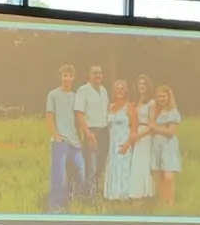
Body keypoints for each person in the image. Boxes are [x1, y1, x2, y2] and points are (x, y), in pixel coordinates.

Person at [45, 63, 86, 212]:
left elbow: (78, 119)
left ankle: (76, 201)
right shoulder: (53, 95)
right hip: (60, 142)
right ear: (60, 77)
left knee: (81, 171)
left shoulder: (76, 96)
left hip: (75, 142)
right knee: (59, 176)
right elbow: (49, 118)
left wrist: (81, 137)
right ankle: (55, 206)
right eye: (64, 75)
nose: (67, 79)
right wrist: (56, 137)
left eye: (70, 76)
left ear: (73, 78)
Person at [74, 65, 110, 197]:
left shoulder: (104, 90)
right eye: (94, 73)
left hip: (104, 131)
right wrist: (88, 134)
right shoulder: (83, 91)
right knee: (92, 164)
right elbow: (79, 114)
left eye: (100, 73)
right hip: (91, 131)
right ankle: (89, 196)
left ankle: (97, 191)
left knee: (102, 163)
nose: (98, 75)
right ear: (89, 75)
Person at [103, 79, 136, 201]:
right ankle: (112, 195)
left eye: (122, 89)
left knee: (123, 168)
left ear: (126, 91)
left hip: (124, 141)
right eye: (117, 88)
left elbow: (134, 129)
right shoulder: (110, 106)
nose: (120, 91)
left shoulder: (129, 107)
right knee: (113, 167)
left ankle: (123, 196)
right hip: (112, 143)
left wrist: (127, 144)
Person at [152, 85, 183, 206]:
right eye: (159, 96)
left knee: (168, 175)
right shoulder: (157, 112)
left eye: (164, 96)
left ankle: (171, 202)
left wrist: (156, 128)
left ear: (169, 97)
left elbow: (171, 132)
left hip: (168, 146)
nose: (161, 99)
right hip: (158, 145)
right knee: (160, 175)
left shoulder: (173, 112)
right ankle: (162, 201)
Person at [127, 75, 155, 200]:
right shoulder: (135, 101)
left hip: (145, 134)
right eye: (139, 84)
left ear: (148, 86)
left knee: (143, 162)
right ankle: (135, 192)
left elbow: (152, 124)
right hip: (134, 131)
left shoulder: (151, 102)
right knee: (135, 163)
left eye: (144, 84)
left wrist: (140, 135)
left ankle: (145, 192)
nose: (141, 86)